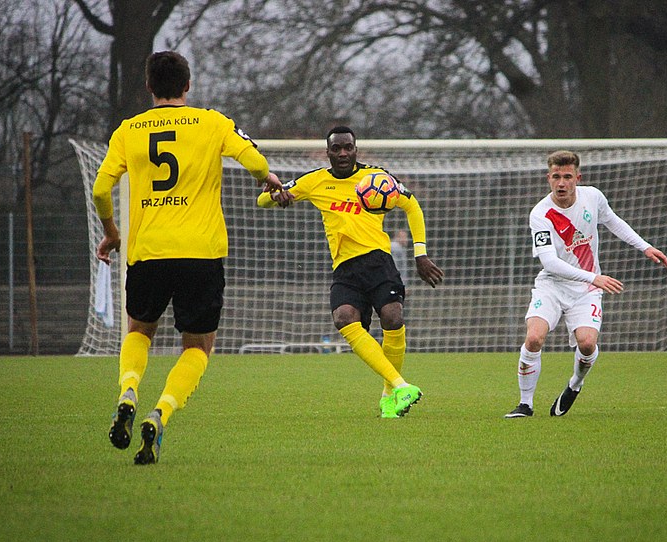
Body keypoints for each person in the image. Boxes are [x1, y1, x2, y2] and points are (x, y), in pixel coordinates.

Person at [93, 51, 282, 464]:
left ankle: (129, 390)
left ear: (149, 86)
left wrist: (112, 233)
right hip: (201, 253)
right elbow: (256, 162)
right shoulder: (212, 122)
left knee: (139, 331)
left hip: (148, 251)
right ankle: (160, 414)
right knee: (197, 346)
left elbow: (100, 190)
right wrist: (266, 177)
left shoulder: (128, 130)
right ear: (187, 85)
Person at [257, 126, 444, 418]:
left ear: (356, 150)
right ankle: (400, 385)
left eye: (348, 147)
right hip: (345, 267)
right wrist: (275, 197)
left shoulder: (377, 178)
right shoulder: (314, 180)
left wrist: (420, 254)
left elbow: (413, 206)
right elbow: (264, 200)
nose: (343, 153)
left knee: (393, 317)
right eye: (337, 148)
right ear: (328, 152)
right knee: (343, 318)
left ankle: (389, 396)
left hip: (378, 261)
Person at [505, 150, 667, 418]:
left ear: (577, 178)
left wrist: (645, 247)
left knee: (587, 344)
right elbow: (549, 262)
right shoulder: (541, 214)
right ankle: (525, 404)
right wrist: (594, 277)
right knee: (534, 337)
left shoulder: (593, 197)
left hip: (586, 291)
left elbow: (613, 221)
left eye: (567, 177)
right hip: (553, 285)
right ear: (548, 178)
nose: (561, 183)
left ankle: (575, 384)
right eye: (556, 177)